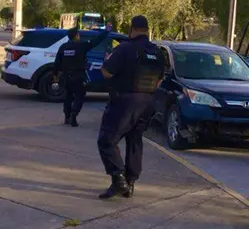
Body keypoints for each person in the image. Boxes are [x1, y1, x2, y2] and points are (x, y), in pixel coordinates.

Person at [97, 15, 165, 199]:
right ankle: (130, 183)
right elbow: (159, 81)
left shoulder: (124, 48)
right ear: (147, 30)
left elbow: (106, 72)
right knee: (135, 140)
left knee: (107, 140)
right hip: (147, 102)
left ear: (132, 29)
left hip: (125, 102)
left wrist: (108, 60)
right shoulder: (158, 52)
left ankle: (118, 179)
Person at [53, 27, 110, 126]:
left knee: (68, 96)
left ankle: (67, 117)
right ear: (76, 36)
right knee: (79, 96)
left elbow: (57, 63)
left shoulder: (63, 47)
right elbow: (96, 41)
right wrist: (106, 31)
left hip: (66, 76)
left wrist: (55, 76)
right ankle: (74, 115)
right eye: (78, 34)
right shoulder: (82, 45)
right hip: (78, 76)